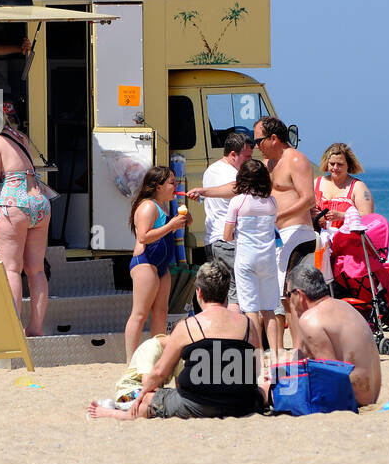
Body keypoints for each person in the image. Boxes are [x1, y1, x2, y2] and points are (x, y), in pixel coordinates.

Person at [87, 262, 266, 421]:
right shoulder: (248, 324)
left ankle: (112, 413)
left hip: (197, 403)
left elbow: (159, 372)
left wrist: (143, 394)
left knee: (150, 399)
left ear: (200, 292)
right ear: (226, 293)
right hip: (241, 402)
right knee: (264, 388)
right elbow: (256, 367)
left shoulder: (188, 326)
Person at [189, 115, 315, 303]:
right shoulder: (268, 164)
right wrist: (205, 191)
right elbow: (239, 186)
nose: (256, 147)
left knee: (291, 299)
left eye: (258, 141)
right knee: (277, 300)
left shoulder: (295, 160)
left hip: (296, 235)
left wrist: (276, 216)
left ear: (273, 139)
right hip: (275, 237)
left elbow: (309, 199)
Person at [0, 113, 51, 336]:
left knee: (11, 268)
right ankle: (36, 328)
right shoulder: (20, 137)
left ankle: (13, 330)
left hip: (13, 202)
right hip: (39, 201)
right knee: (37, 270)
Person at [282, 262, 383, 406]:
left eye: (288, 295)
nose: (289, 301)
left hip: (352, 399)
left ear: (299, 294)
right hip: (371, 395)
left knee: (274, 391)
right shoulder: (344, 306)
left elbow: (329, 376)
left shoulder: (311, 319)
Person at [123, 165, 189, 358]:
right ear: (158, 186)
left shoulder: (163, 206)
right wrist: (170, 226)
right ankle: (130, 361)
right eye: (171, 183)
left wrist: (183, 221)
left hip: (161, 266)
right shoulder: (148, 206)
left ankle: (156, 358)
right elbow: (143, 237)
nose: (175, 186)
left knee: (161, 313)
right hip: (146, 263)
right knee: (140, 314)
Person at [223, 159, 282, 357]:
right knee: (269, 310)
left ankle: (256, 353)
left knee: (250, 310)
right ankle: (275, 353)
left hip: (246, 259)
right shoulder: (272, 202)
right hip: (268, 260)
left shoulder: (237, 202)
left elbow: (227, 235)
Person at [202, 132, 253, 308]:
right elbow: (237, 188)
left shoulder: (211, 170)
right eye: (246, 157)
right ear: (233, 154)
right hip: (228, 242)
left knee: (218, 296)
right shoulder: (231, 173)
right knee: (236, 294)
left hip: (213, 239)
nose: (249, 161)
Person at [315, 142, 375, 230]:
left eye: (340, 164)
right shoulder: (316, 183)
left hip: (346, 240)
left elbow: (369, 217)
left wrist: (343, 216)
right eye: (332, 164)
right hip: (318, 240)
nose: (335, 167)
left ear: (348, 165)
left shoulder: (357, 187)